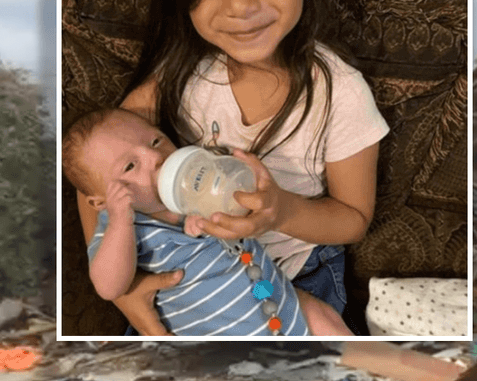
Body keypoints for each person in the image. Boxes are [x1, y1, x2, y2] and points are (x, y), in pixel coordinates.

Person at [74, 0, 389, 335]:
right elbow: (93, 173)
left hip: (294, 273)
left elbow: (352, 219)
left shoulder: (339, 94)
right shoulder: (182, 75)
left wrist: (280, 211)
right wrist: (127, 298)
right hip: (192, 280)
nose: (239, 4)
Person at [64, 108, 352, 337]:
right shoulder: (119, 229)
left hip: (273, 300)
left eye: (155, 140)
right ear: (100, 201)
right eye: (130, 166)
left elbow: (246, 205)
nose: (154, 158)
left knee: (325, 320)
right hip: (219, 335)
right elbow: (109, 287)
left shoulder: (200, 183)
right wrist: (120, 224)